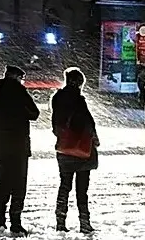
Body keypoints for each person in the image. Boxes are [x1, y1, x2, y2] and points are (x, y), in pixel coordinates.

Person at [0, 65, 39, 235]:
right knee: (19, 186)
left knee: (2, 184)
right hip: (19, 146)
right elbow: (35, 114)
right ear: (17, 77)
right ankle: (15, 223)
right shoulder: (20, 94)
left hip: (1, 146)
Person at [51, 67, 99, 233]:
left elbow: (56, 125)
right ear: (78, 83)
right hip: (82, 150)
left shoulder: (57, 98)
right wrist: (94, 138)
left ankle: (60, 221)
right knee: (82, 190)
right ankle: (84, 223)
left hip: (64, 149)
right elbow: (87, 124)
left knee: (64, 186)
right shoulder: (79, 100)